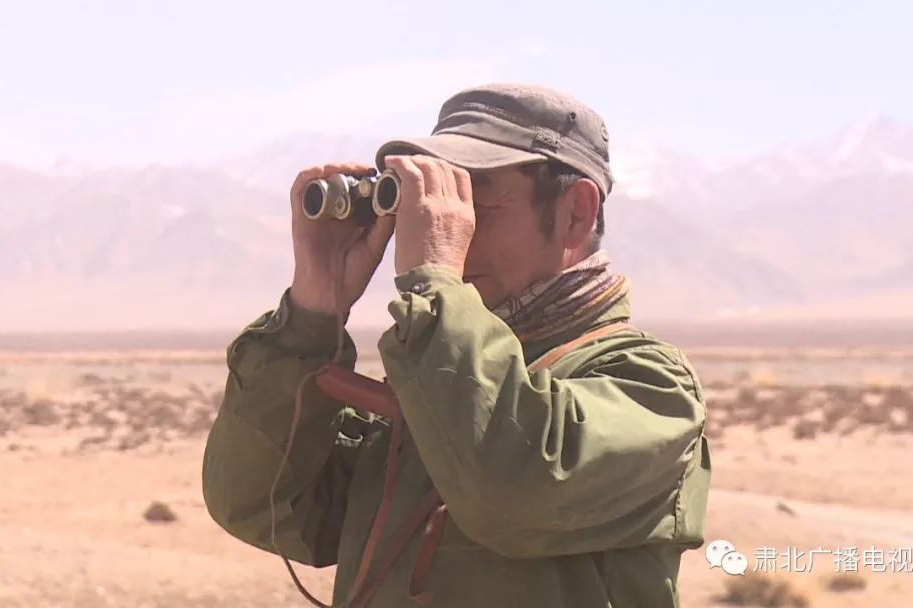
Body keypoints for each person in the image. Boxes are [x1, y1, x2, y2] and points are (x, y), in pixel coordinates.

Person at [202, 83, 711, 607]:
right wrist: (313, 310)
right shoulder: (438, 373)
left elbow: (512, 492)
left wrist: (435, 288)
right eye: (437, 205)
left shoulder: (650, 386)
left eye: (472, 201)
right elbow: (256, 504)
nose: (449, 229)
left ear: (576, 212)